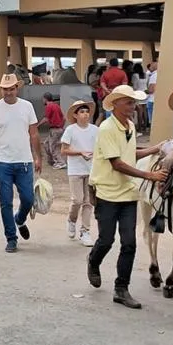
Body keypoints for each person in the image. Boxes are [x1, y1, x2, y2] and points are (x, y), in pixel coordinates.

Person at [87, 85, 166, 309]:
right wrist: (149, 175)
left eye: (134, 102)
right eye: (129, 102)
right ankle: (93, 260)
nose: (133, 106)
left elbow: (129, 154)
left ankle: (121, 289)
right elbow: (118, 163)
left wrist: (153, 149)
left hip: (129, 192)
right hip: (108, 192)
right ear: (116, 104)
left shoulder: (129, 126)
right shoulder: (106, 128)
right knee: (107, 240)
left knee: (129, 243)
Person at [0, 74, 41, 253]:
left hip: (24, 160)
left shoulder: (27, 107)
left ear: (17, 88)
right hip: (3, 161)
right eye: (5, 89)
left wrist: (38, 156)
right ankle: (11, 237)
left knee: (28, 198)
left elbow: (34, 134)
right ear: (1, 90)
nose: (8, 92)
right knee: (5, 202)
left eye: (11, 88)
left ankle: (20, 219)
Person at [60, 100, 99, 247]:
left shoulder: (96, 130)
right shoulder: (70, 130)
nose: (85, 114)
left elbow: (100, 146)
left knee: (88, 202)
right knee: (77, 200)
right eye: (81, 112)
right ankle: (71, 219)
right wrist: (80, 153)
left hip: (91, 169)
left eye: (87, 111)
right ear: (75, 115)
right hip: (75, 169)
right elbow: (64, 150)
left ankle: (85, 231)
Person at [37, 93, 67, 170]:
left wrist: (37, 126)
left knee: (53, 147)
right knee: (46, 144)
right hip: (58, 129)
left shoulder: (49, 106)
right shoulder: (56, 105)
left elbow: (46, 119)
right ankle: (52, 160)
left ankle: (61, 162)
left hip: (54, 129)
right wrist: (61, 126)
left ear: (45, 99)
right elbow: (64, 118)